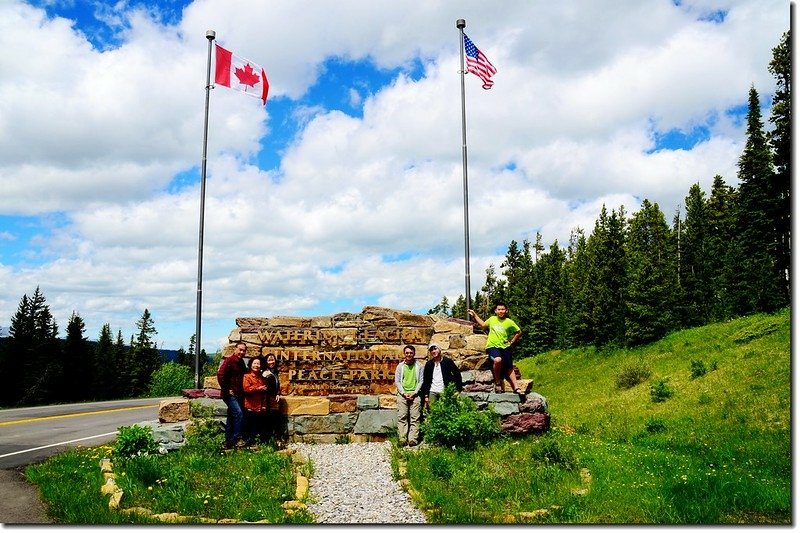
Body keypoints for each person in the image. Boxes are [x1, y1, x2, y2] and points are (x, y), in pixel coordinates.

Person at [468, 303, 524, 396]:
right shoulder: (492, 319)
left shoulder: (509, 322)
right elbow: (483, 325)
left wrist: (512, 341)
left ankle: (516, 388)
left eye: (503, 309)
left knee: (509, 367)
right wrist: (474, 314)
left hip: (505, 346)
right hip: (492, 346)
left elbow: (518, 332)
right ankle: (498, 382)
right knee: (498, 360)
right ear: (495, 311)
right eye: (499, 309)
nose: (501, 311)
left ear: (506, 311)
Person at [217, 341, 247, 449]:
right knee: (239, 414)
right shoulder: (229, 361)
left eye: (244, 350)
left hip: (238, 394)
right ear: (235, 349)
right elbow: (220, 374)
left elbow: (246, 374)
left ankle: (227, 442)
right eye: (240, 349)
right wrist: (226, 389)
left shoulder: (241, 362)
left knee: (231, 417)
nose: (242, 352)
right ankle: (235, 438)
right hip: (230, 395)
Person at [394, 344, 423, 447]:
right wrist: (403, 393)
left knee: (415, 418)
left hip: (415, 394)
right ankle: (402, 439)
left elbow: (421, 381)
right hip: (403, 395)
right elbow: (397, 381)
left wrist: (414, 392)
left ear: (414, 354)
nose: (409, 354)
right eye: (407, 353)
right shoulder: (400, 366)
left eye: (411, 353)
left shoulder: (419, 366)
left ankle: (413, 439)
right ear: (404, 354)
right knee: (402, 417)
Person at [420, 343, 463, 409]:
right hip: (432, 391)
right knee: (433, 411)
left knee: (445, 410)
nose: (434, 351)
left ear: (439, 350)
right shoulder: (429, 364)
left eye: (435, 349)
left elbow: (457, 374)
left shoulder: (447, 361)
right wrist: (426, 395)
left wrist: (458, 389)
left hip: (444, 391)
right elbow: (426, 380)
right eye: (431, 350)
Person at [242, 356, 268, 444]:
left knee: (257, 425)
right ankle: (247, 442)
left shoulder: (262, 378)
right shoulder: (247, 376)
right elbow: (246, 389)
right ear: (251, 365)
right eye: (255, 363)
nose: (256, 365)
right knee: (249, 425)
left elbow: (265, 392)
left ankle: (256, 442)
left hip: (260, 406)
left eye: (258, 364)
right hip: (250, 405)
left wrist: (264, 405)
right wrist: (258, 388)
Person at [261, 353, 284, 445]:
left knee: (276, 418)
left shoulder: (275, 372)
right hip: (266, 399)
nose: (271, 362)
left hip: (274, 399)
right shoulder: (264, 372)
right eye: (269, 360)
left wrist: (278, 393)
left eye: (273, 360)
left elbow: (277, 385)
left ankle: (277, 439)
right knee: (267, 419)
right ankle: (266, 440)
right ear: (266, 362)